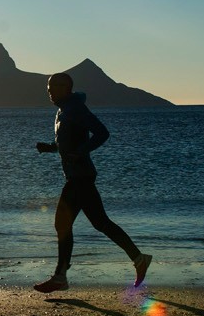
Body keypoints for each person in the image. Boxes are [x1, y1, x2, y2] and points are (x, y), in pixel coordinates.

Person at [33, 71, 151, 293]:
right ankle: (139, 259)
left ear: (64, 88)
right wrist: (50, 148)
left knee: (62, 223)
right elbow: (67, 143)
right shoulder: (63, 111)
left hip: (81, 177)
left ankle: (60, 276)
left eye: (52, 87)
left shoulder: (76, 108)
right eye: (47, 87)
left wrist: (81, 152)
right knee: (100, 223)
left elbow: (102, 133)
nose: (48, 91)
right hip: (77, 176)